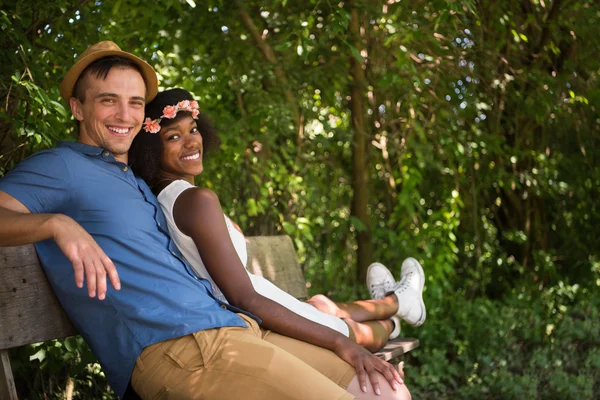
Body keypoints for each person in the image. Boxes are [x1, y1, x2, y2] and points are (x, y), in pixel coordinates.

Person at [0, 41, 410, 400]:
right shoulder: (62, 166)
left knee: (388, 390)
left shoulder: (134, 181)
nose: (123, 114)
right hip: (178, 347)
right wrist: (56, 224)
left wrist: (345, 343)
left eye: (136, 103)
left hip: (235, 330)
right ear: (77, 107)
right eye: (108, 100)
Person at [129, 88, 427, 354]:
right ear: (152, 150)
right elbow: (245, 297)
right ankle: (394, 313)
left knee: (322, 305)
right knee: (367, 333)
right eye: (173, 136)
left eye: (192, 129)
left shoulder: (168, 198)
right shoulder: (196, 200)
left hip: (264, 301)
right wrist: (339, 340)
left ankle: (396, 301)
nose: (191, 141)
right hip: (260, 312)